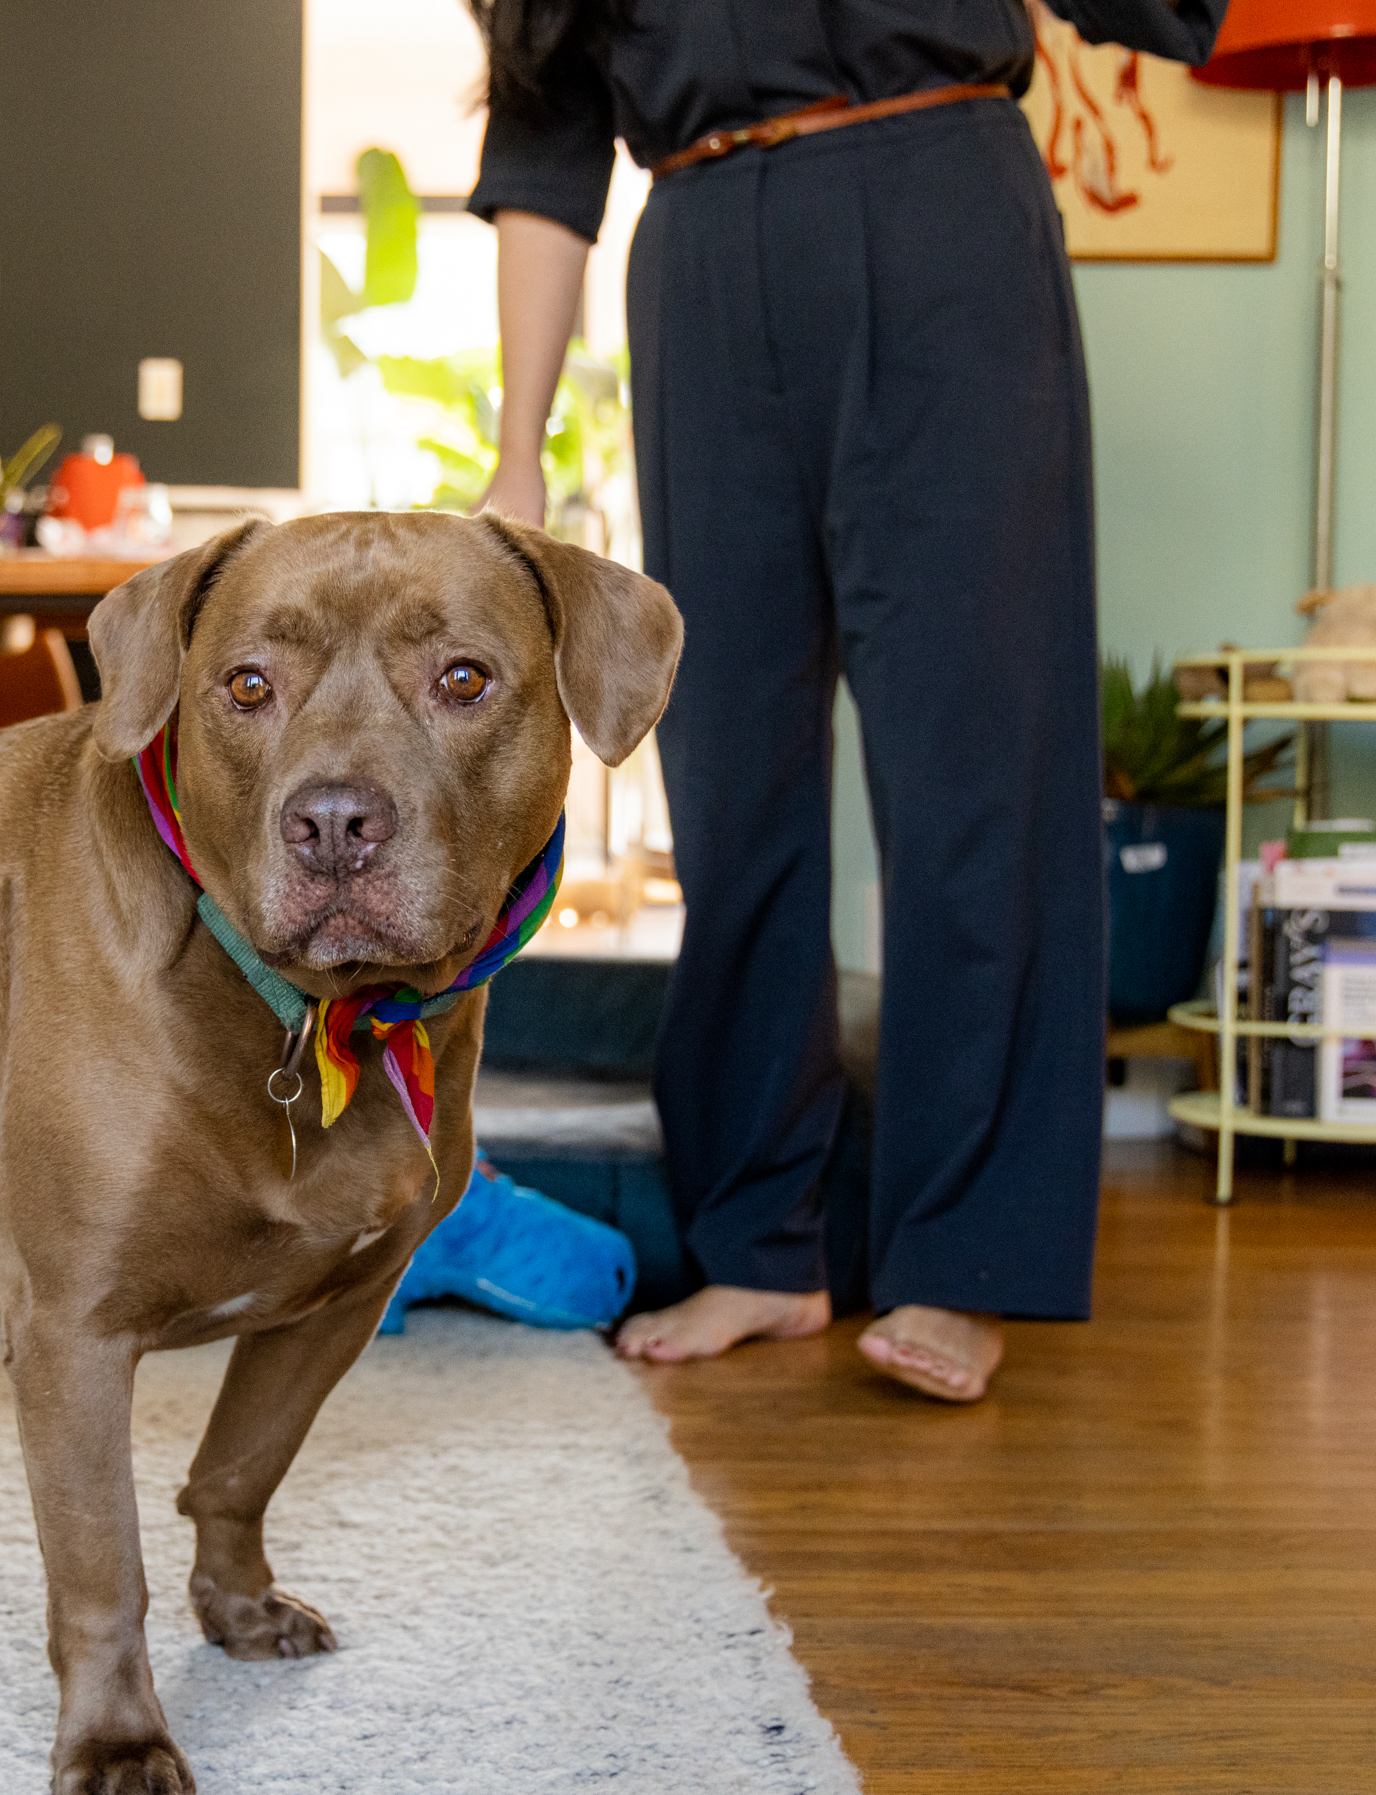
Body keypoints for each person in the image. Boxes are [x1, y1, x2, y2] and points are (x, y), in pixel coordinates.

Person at [466, 0, 1224, 1401]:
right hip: (696, 253)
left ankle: (967, 1256)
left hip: (942, 215)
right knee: (729, 777)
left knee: (974, 773)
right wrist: (519, 449)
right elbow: (547, 143)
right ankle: (763, 1241)